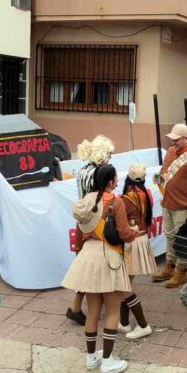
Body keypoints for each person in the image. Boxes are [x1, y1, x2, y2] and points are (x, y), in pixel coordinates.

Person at [63, 164, 139, 373]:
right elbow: (123, 233)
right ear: (110, 181)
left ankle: (91, 357)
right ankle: (107, 361)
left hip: (87, 256)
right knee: (113, 310)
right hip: (109, 256)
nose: (116, 182)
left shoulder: (85, 201)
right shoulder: (116, 201)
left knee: (94, 310)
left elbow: (78, 238)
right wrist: (133, 232)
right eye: (115, 179)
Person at [151, 124, 187, 288]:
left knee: (182, 238)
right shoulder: (171, 151)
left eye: (176, 140)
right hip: (168, 201)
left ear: (185, 138)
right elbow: (164, 170)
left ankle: (181, 271)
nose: (173, 142)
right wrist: (159, 178)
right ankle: (169, 266)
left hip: (185, 205)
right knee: (169, 235)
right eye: (172, 139)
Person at [68, 136, 115, 326]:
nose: (111, 157)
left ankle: (75, 306)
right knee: (92, 266)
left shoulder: (82, 170)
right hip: (96, 220)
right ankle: (80, 306)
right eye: (109, 153)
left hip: (83, 220)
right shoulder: (98, 172)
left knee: (85, 264)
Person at [118, 164, 156, 340]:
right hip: (142, 240)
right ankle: (124, 323)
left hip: (131, 242)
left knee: (124, 286)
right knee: (127, 283)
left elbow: (121, 224)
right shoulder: (146, 194)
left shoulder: (125, 199)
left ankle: (143, 325)